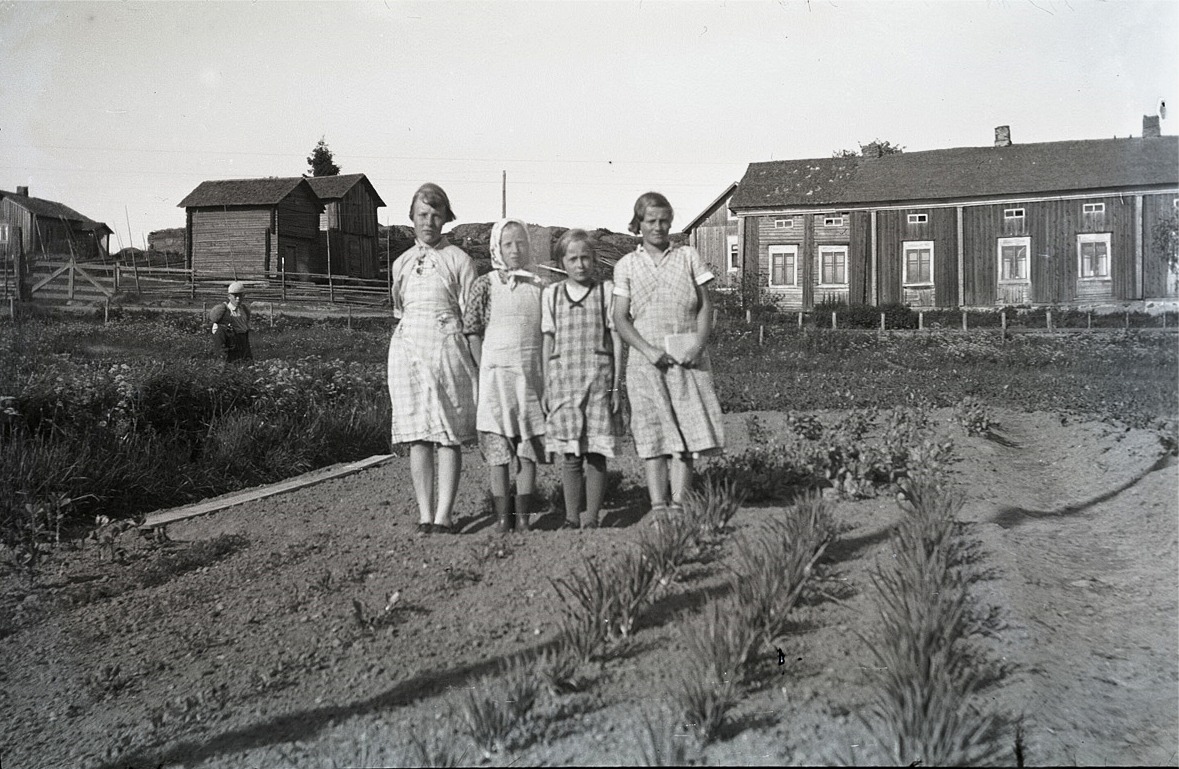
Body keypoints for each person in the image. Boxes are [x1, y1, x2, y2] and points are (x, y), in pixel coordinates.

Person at [612, 192, 725, 519]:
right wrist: (647, 350)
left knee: (686, 432)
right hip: (646, 363)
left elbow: (706, 304)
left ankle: (679, 503)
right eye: (651, 221)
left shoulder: (688, 256)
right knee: (653, 433)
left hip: (687, 357)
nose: (658, 227)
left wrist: (699, 344)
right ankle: (658, 504)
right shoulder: (627, 265)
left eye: (664, 221)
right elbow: (620, 318)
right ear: (639, 224)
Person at [387, 183, 480, 535]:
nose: (429, 222)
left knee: (447, 434)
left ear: (446, 218)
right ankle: (425, 514)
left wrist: (477, 363)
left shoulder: (459, 260)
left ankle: (444, 515)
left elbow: (471, 316)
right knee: (418, 436)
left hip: (447, 349)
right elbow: (401, 310)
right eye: (422, 215)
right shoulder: (401, 263)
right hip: (409, 349)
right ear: (412, 217)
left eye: (436, 215)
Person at [466, 218, 548, 533]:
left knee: (527, 452)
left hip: (529, 381)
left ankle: (524, 518)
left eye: (521, 243)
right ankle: (503, 518)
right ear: (497, 248)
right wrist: (483, 365)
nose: (515, 250)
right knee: (498, 454)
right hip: (495, 383)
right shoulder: (484, 285)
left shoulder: (539, 286)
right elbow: (472, 331)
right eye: (508, 244)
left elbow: (546, 333)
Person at [542, 229, 623, 529]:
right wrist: (546, 386)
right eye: (573, 258)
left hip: (598, 384)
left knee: (596, 452)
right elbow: (548, 342)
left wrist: (616, 385)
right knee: (571, 454)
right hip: (564, 385)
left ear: (594, 260)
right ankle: (571, 516)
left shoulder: (605, 292)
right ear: (562, 261)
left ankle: (592, 516)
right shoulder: (552, 295)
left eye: (585, 258)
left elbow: (616, 339)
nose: (580, 265)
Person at [210, 281, 253, 362]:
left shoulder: (244, 309)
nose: (238, 298)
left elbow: (245, 328)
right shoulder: (223, 311)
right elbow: (218, 336)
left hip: (243, 342)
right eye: (235, 295)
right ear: (229, 296)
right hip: (231, 344)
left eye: (240, 295)